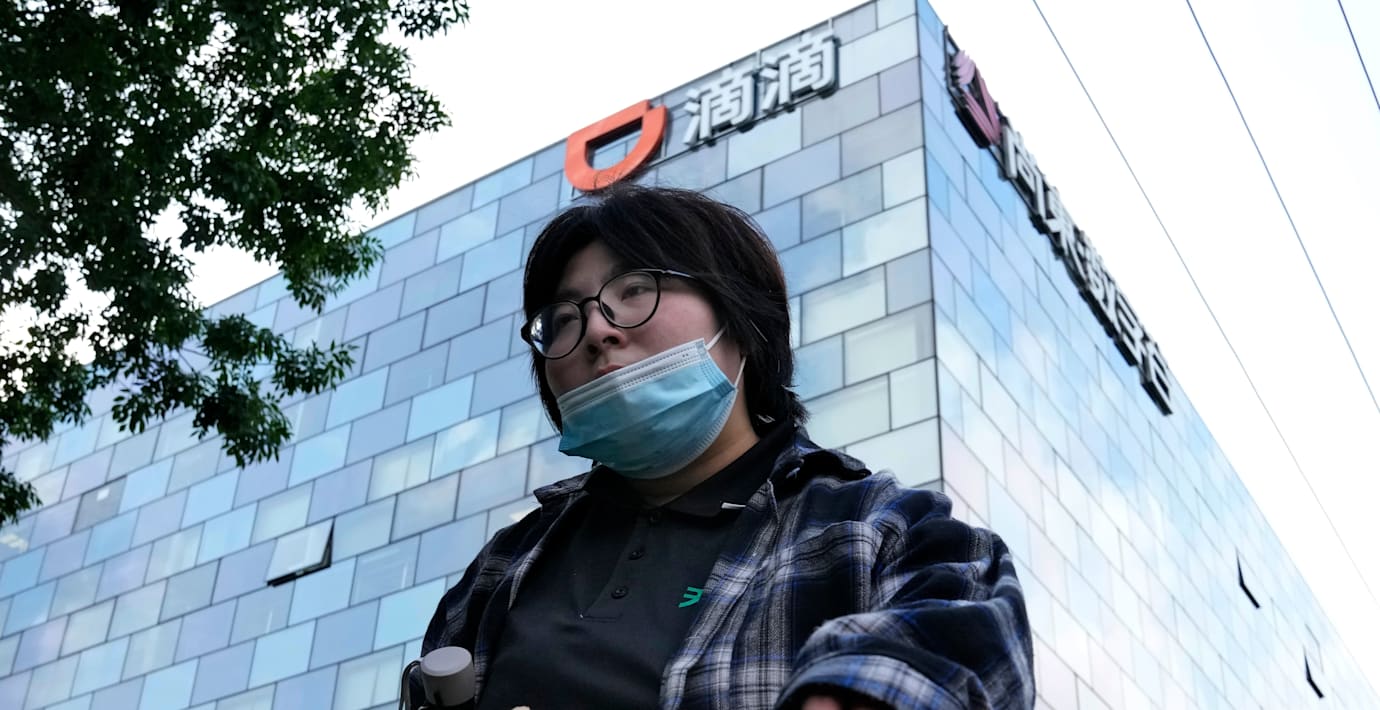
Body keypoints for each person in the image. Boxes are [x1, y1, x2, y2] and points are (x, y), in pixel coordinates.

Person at [418, 184, 1035, 709]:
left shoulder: (881, 528)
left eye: (634, 289)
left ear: (741, 318)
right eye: (563, 318)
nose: (597, 330)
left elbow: (971, 652)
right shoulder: (505, 563)